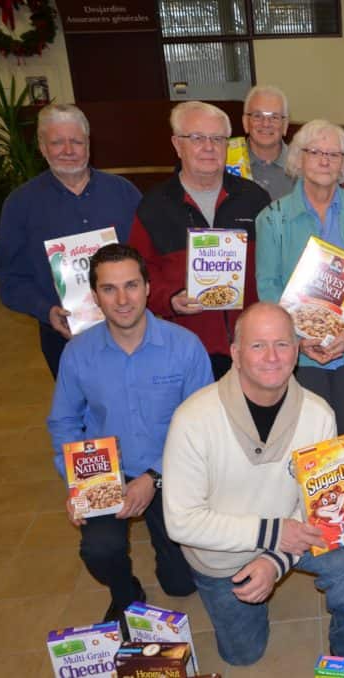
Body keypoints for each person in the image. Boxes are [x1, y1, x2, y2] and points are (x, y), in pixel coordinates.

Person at [163, 302, 344, 666]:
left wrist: (275, 562)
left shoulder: (319, 413)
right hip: (222, 556)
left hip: (288, 535)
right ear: (235, 354)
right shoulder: (193, 419)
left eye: (283, 344)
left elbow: (317, 504)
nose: (272, 357)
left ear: (297, 350)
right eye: (258, 345)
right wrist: (270, 534)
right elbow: (181, 522)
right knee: (243, 655)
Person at [47, 244, 212, 628]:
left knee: (181, 583)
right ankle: (125, 592)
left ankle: (168, 551)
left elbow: (203, 424)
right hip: (106, 473)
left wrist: (153, 477)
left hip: (171, 468)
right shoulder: (78, 353)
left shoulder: (184, 346)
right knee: (99, 549)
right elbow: (64, 422)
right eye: (109, 289)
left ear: (149, 287)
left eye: (131, 285)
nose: (122, 299)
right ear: (94, 296)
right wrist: (77, 484)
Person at [256, 120, 344, 444]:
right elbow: (268, 285)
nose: (325, 160)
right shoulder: (273, 217)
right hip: (300, 351)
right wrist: (298, 338)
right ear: (299, 158)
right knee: (308, 443)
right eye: (315, 152)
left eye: (334, 154)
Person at [0, 103, 141, 378]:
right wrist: (45, 310)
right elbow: (10, 277)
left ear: (88, 144)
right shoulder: (21, 204)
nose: (69, 150)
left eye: (76, 141)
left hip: (131, 332)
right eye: (57, 142)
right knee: (80, 416)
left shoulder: (124, 193)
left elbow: (148, 256)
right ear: (42, 146)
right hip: (64, 340)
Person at [129, 101, 272, 380]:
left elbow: (277, 261)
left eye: (218, 138)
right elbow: (139, 272)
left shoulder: (255, 199)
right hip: (187, 347)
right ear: (177, 144)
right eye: (196, 138)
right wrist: (169, 299)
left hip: (252, 345)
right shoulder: (154, 206)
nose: (209, 147)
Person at [242, 85, 294, 200]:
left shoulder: (302, 166)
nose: (266, 123)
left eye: (274, 117)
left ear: (285, 124)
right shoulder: (226, 163)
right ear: (245, 122)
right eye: (257, 116)